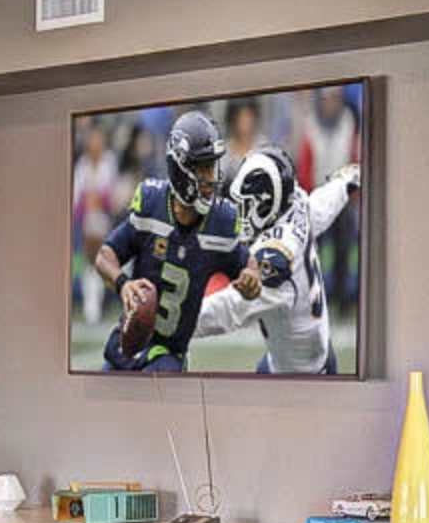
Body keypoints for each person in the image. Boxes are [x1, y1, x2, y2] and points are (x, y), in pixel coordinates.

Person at [87, 110, 248, 373]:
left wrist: (251, 278)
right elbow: (105, 256)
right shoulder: (152, 204)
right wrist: (123, 284)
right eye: (203, 167)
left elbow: (247, 266)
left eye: (213, 166)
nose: (211, 177)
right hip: (127, 341)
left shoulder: (220, 221)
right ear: (181, 169)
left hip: (167, 356)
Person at [196, 147, 362, 375]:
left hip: (300, 378)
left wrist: (172, 323)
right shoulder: (295, 206)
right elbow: (321, 205)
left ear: (265, 205)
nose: (239, 213)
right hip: (297, 359)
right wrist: (347, 181)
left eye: (245, 205)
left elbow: (227, 311)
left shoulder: (276, 265)